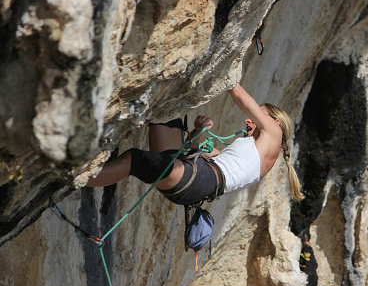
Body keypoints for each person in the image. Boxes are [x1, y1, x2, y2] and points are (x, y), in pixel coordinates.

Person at [87, 83, 304, 204]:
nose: (250, 120)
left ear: (274, 121)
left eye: (259, 117)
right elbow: (192, 150)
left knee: (135, 160)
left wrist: (230, 78)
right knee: (166, 115)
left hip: (200, 179)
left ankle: (79, 178)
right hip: (197, 180)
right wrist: (198, 133)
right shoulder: (247, 156)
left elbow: (242, 99)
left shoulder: (274, 132)